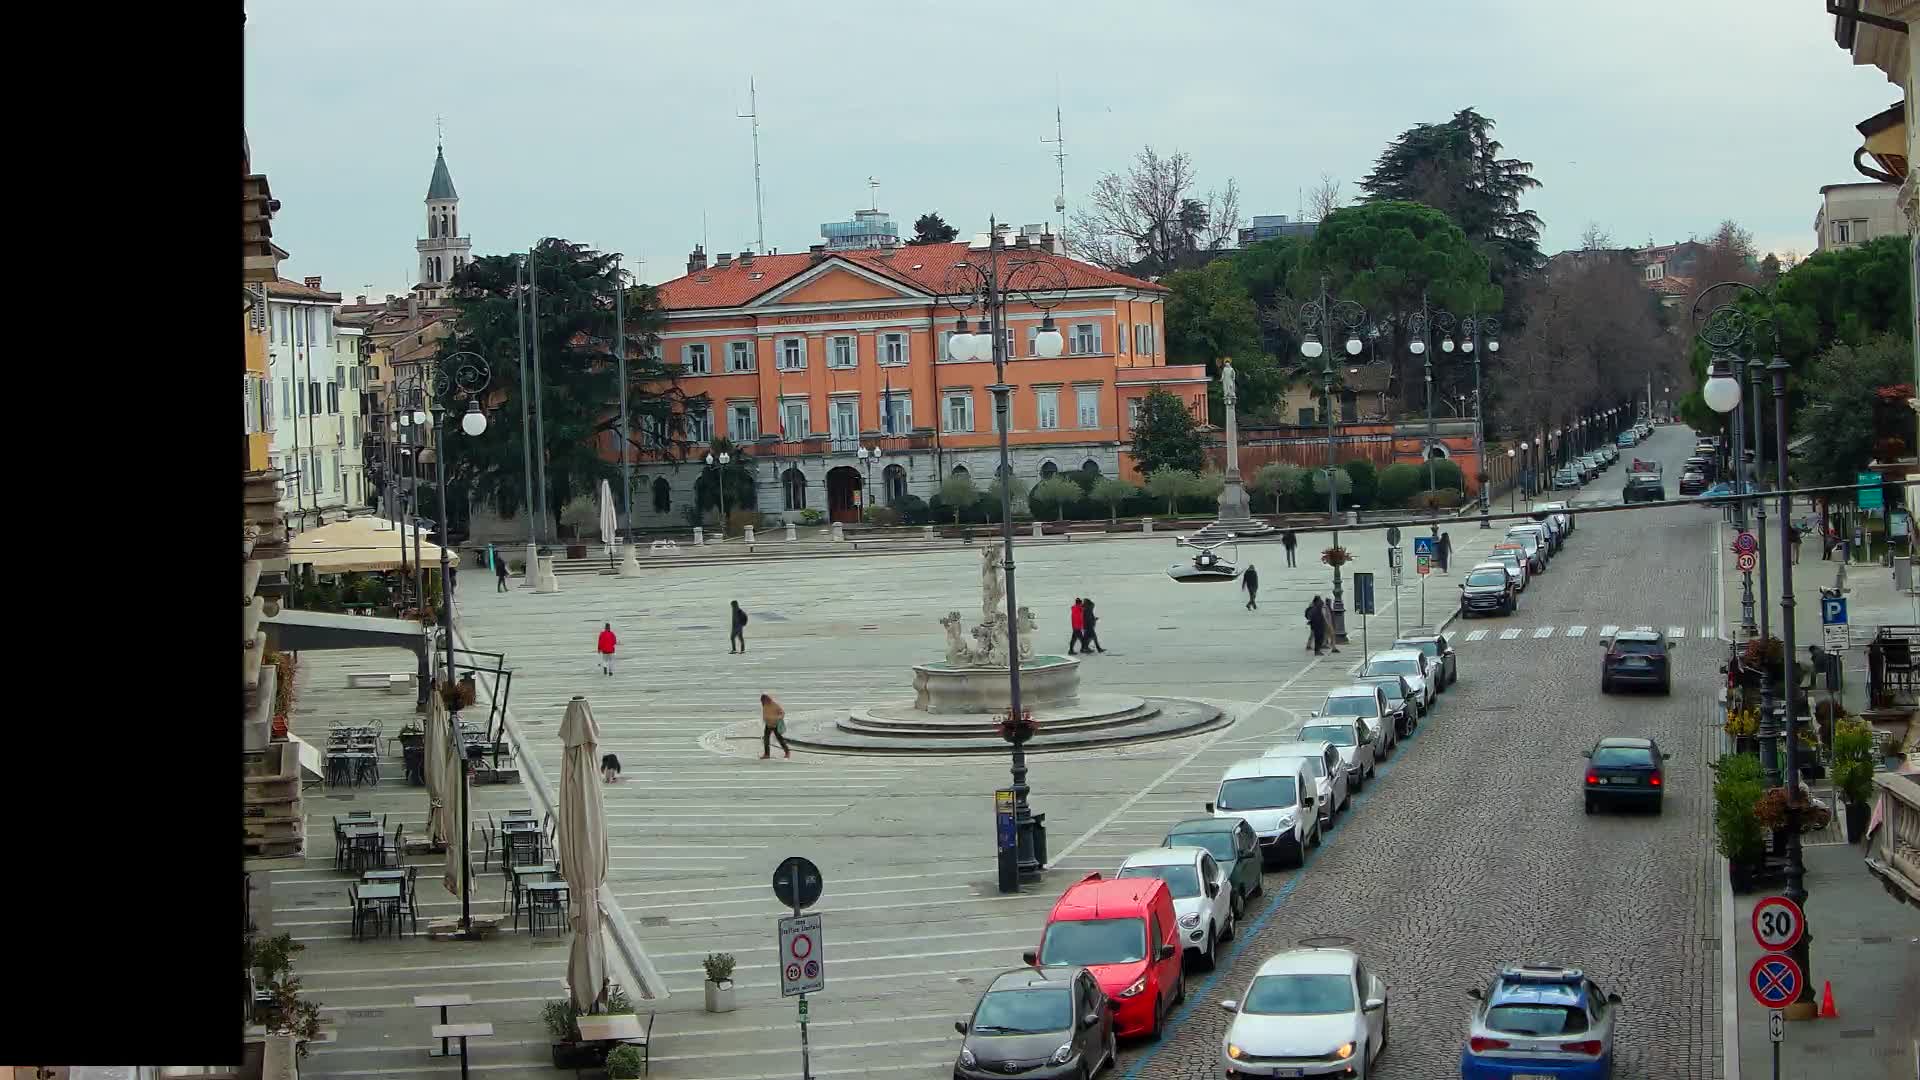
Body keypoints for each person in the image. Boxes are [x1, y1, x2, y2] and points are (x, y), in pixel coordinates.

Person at [760, 693, 790, 759]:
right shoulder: (765, 705)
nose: (763, 702)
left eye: (764, 700)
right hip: (768, 725)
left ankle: (787, 752)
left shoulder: (774, 705)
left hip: (775, 724)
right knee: (766, 739)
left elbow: (782, 712)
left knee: (779, 739)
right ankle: (767, 754)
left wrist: (778, 718)